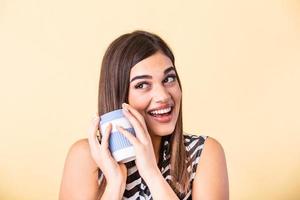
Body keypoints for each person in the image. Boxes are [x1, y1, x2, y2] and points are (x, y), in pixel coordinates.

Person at [59, 30, 229, 200]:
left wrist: (151, 174)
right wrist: (115, 184)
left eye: (169, 79)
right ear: (120, 96)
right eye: (142, 85)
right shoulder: (86, 157)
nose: (163, 96)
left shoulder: (202, 153)